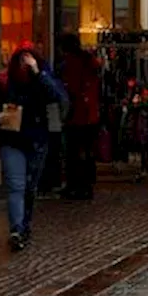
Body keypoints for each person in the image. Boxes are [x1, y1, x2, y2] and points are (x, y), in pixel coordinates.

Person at [0, 44, 68, 252]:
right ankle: (16, 229)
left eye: (28, 59)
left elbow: (56, 96)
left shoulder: (41, 80)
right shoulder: (4, 81)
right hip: (11, 140)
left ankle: (25, 224)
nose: (24, 64)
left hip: (37, 140)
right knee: (16, 186)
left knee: (30, 187)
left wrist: (38, 73)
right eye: (21, 60)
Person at [57, 34, 101, 200]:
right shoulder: (90, 62)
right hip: (90, 115)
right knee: (87, 152)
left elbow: (71, 88)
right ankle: (86, 185)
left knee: (73, 152)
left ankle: (75, 185)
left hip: (77, 115)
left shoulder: (71, 63)